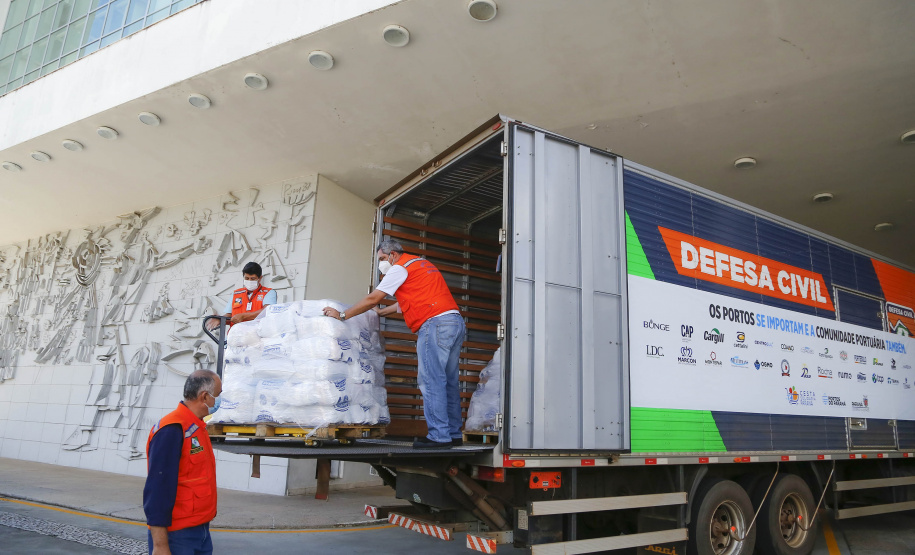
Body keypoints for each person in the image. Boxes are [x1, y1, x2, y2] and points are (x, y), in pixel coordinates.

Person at [322, 239, 465, 449]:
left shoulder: (400, 268)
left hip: (434, 324)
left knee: (431, 380)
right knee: (449, 382)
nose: (381, 264)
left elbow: (373, 298)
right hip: (454, 322)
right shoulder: (422, 264)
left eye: (381, 259)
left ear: (392, 255)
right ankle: (453, 434)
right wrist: (381, 312)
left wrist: (343, 314)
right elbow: (409, 300)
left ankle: (439, 437)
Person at [144, 370, 222, 555]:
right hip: (177, 535)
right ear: (205, 397)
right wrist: (160, 546)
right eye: (218, 396)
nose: (220, 401)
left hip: (200, 530)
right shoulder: (172, 429)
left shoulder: (197, 427)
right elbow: (157, 490)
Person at [208, 262, 276, 329]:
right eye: (246, 278)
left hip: (258, 335)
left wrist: (243, 316)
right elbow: (230, 316)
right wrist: (220, 319)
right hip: (236, 335)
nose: (249, 281)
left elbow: (267, 311)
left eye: (252, 278)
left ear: (260, 278)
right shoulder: (236, 294)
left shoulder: (268, 292)